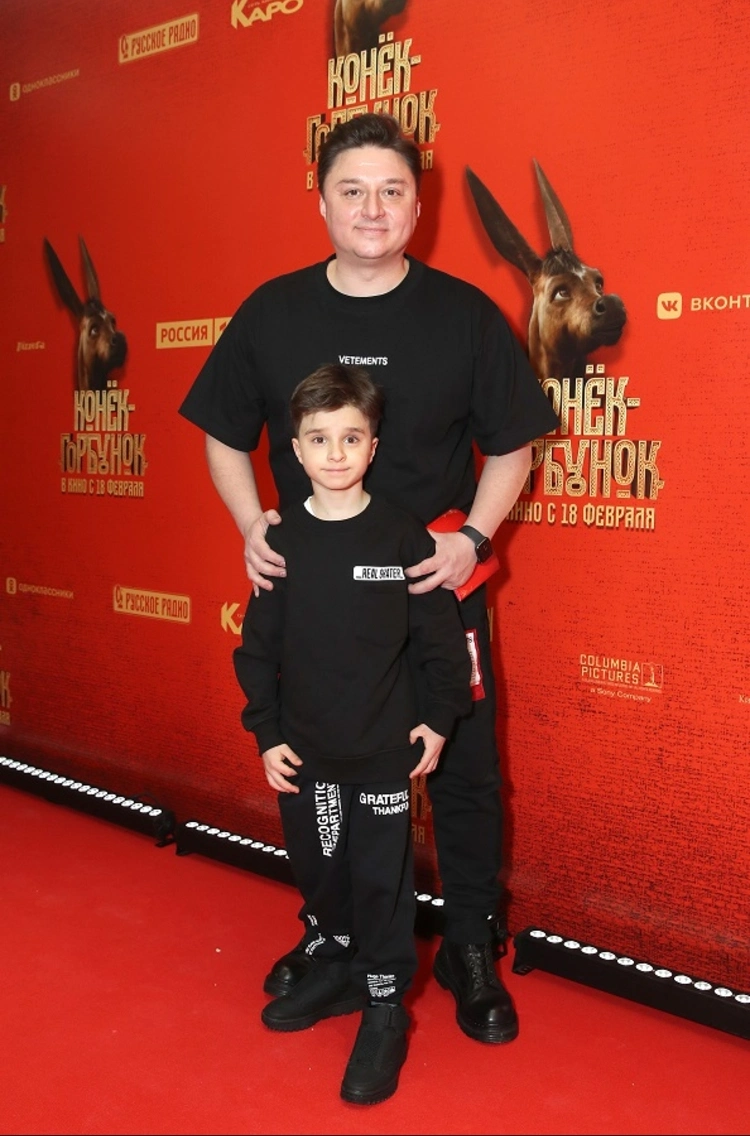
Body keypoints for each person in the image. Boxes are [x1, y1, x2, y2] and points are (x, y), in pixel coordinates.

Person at [179, 112, 560, 1047]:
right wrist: (251, 526)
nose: (373, 208)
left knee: (463, 768)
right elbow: (222, 433)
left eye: (392, 190)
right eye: (352, 190)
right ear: (321, 203)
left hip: (435, 585)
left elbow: (514, 442)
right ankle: (337, 939)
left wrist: (475, 538)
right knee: (318, 771)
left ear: (418, 207)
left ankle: (468, 944)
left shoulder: (464, 315)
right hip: (316, 602)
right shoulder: (273, 313)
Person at [233, 363, 471, 1104]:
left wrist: (439, 718)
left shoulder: (402, 535)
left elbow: (441, 640)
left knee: (380, 883)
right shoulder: (281, 542)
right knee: (322, 874)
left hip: (380, 756)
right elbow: (256, 649)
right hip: (306, 756)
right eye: (318, 438)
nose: (334, 452)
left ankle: (384, 1006)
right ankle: (336, 969)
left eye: (350, 437)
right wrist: (266, 732)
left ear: (373, 446)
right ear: (295, 450)